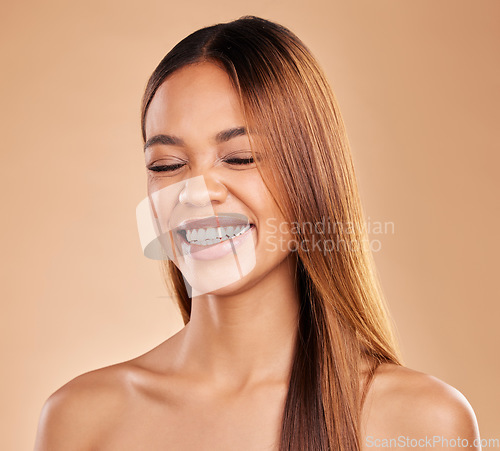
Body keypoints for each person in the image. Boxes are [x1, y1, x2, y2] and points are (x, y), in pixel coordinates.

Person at [34, 15, 481, 450]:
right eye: (167, 165)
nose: (196, 193)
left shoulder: (422, 421)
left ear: (310, 174)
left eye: (240, 157)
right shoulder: (81, 418)